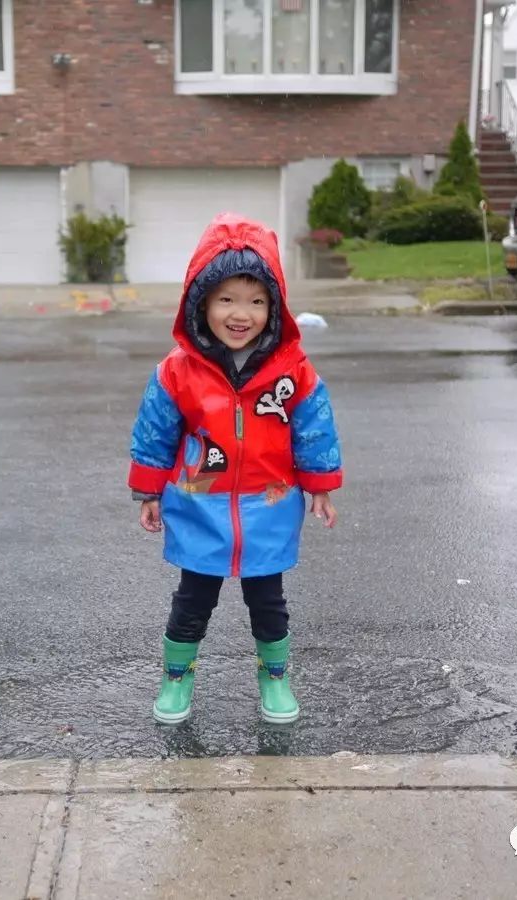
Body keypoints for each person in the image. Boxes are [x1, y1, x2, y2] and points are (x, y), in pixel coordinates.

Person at [128, 212, 342, 725]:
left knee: (268, 601)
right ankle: (176, 677)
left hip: (269, 503)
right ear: (201, 302)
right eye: (226, 299)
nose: (240, 314)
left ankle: (275, 676)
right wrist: (149, 490)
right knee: (192, 599)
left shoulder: (293, 371)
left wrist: (320, 484)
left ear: (275, 307)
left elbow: (313, 426)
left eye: (256, 301)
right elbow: (155, 430)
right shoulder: (177, 370)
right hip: (200, 503)